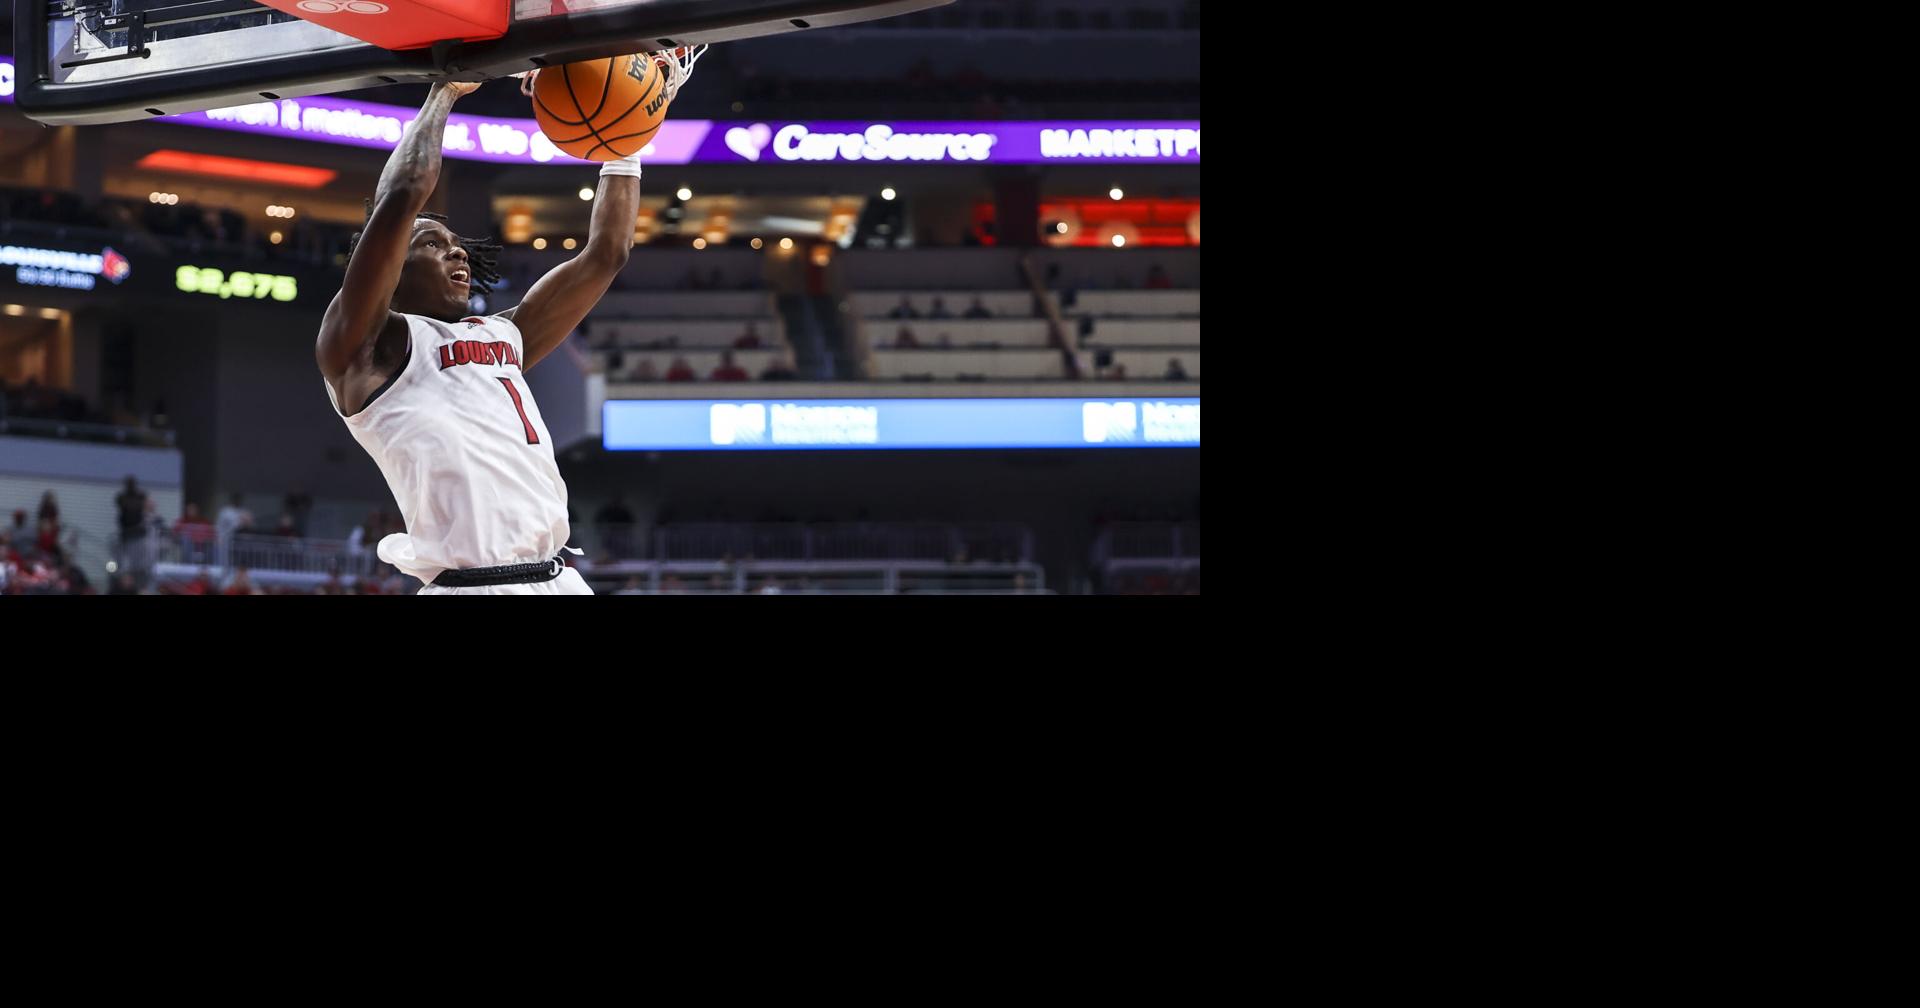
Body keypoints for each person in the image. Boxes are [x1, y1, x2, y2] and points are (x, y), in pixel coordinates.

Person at [316, 79, 633, 594]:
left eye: (459, 246)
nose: (459, 253)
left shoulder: (504, 335)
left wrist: (628, 142)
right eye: (434, 244)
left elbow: (608, 252)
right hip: (471, 585)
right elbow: (402, 193)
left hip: (560, 581)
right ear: (392, 265)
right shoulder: (365, 351)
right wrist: (447, 90)